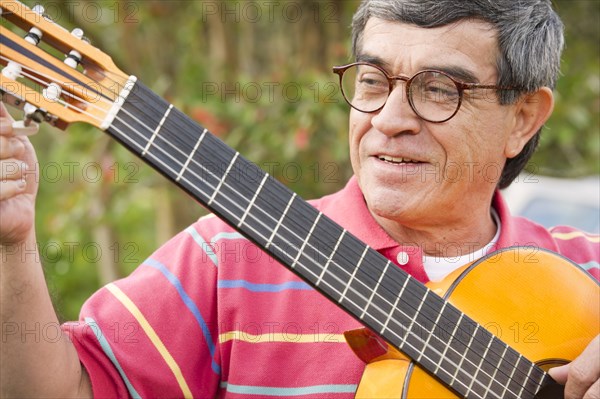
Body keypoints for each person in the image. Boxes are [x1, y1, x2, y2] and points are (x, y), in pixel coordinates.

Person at [1, 0, 598, 398]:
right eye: (371, 81)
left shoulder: (590, 275)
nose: (388, 120)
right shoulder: (223, 260)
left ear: (522, 117)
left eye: (438, 89)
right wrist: (11, 246)